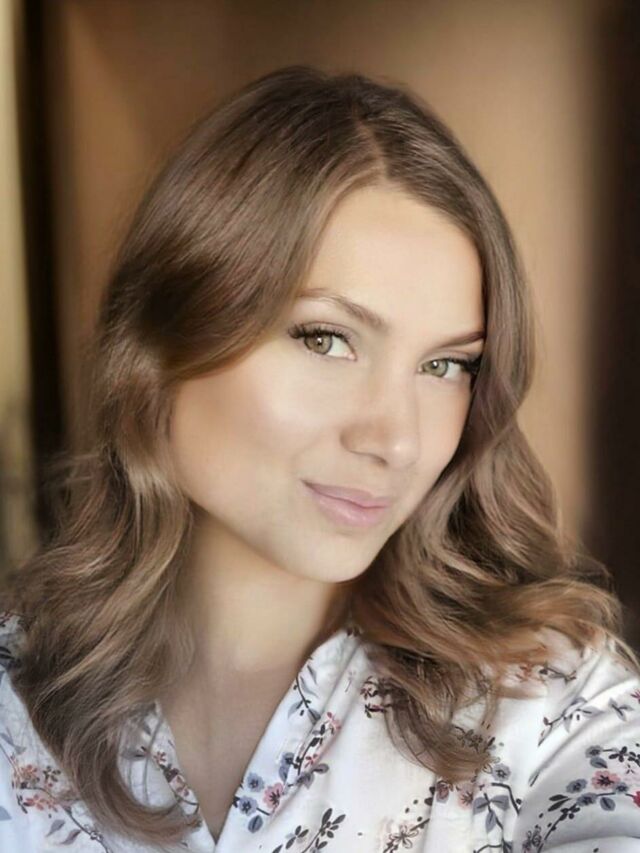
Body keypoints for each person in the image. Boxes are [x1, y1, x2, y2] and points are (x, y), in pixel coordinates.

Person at [0, 64, 639, 853]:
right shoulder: (15, 705)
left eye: (446, 365)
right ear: (164, 339)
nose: (395, 439)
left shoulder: (555, 706)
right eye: (327, 339)